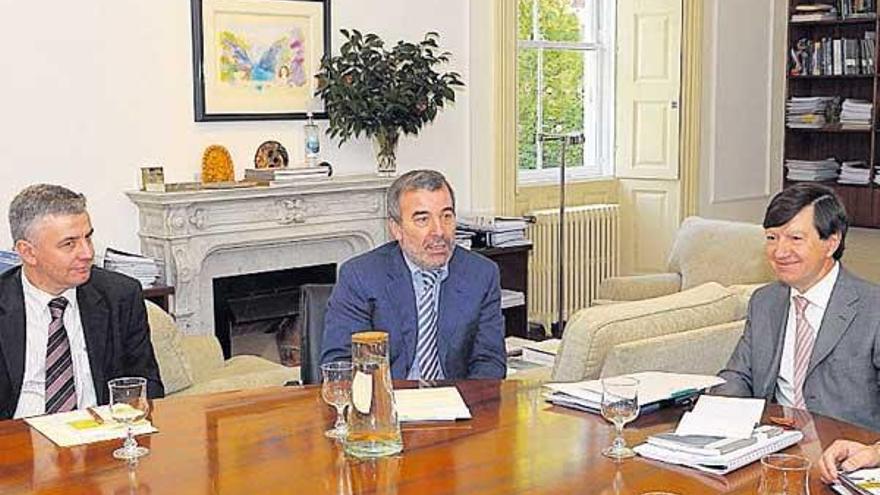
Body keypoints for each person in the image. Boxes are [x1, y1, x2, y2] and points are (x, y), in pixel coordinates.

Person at [715, 183, 880, 430]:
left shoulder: (872, 308)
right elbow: (738, 376)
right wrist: (717, 417)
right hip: (774, 443)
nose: (780, 252)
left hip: (849, 449)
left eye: (795, 238)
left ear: (831, 243)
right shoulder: (764, 301)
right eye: (772, 237)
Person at [320, 169, 506, 380]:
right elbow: (341, 361)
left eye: (446, 216)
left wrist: (469, 405)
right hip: (387, 402)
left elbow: (489, 361)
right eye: (422, 219)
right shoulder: (361, 276)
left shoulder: (481, 274)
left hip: (457, 402)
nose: (439, 231)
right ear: (396, 229)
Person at [0, 184, 164, 420]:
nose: (87, 253)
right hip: (17, 441)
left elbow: (146, 386)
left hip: (99, 437)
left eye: (88, 238)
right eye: (69, 244)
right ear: (27, 252)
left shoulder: (120, 295)